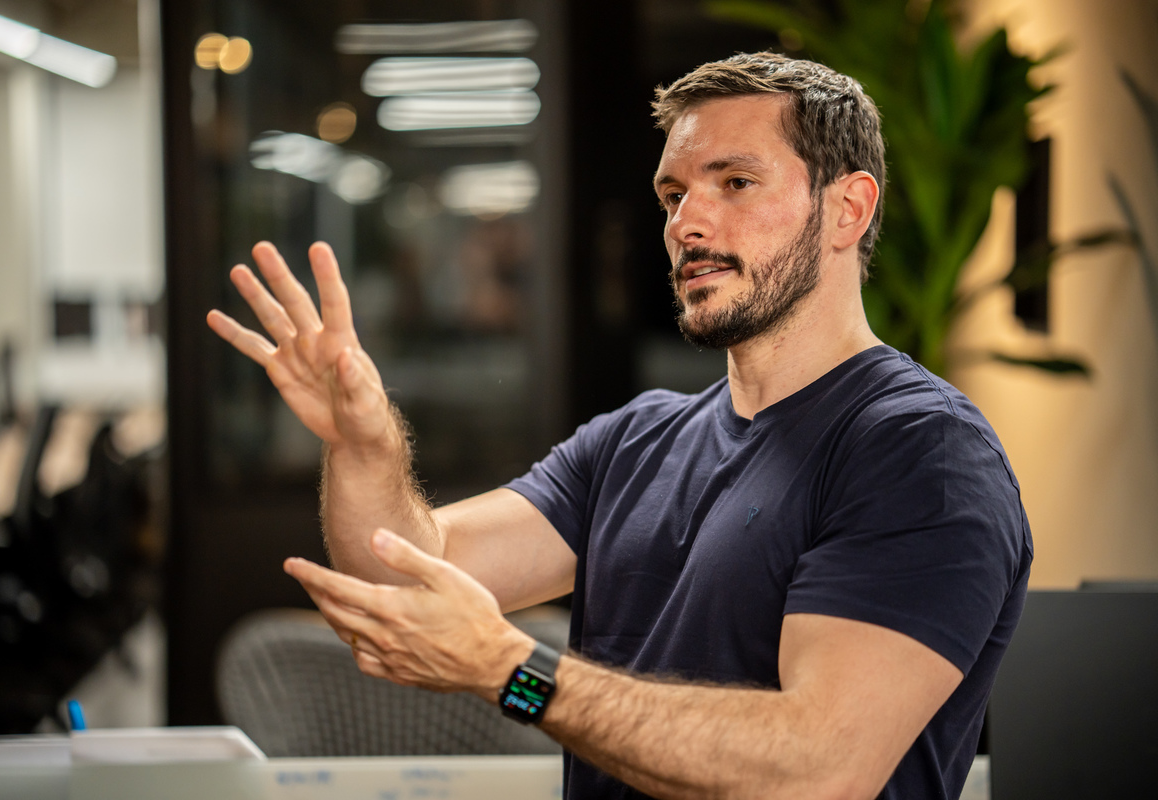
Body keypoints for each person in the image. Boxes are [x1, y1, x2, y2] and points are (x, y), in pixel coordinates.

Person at [207, 52, 1032, 800]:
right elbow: (407, 579)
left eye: (735, 183)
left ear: (848, 208)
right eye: (674, 195)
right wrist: (363, 446)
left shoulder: (920, 452)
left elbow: (819, 769)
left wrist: (510, 671)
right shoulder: (636, 441)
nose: (686, 224)